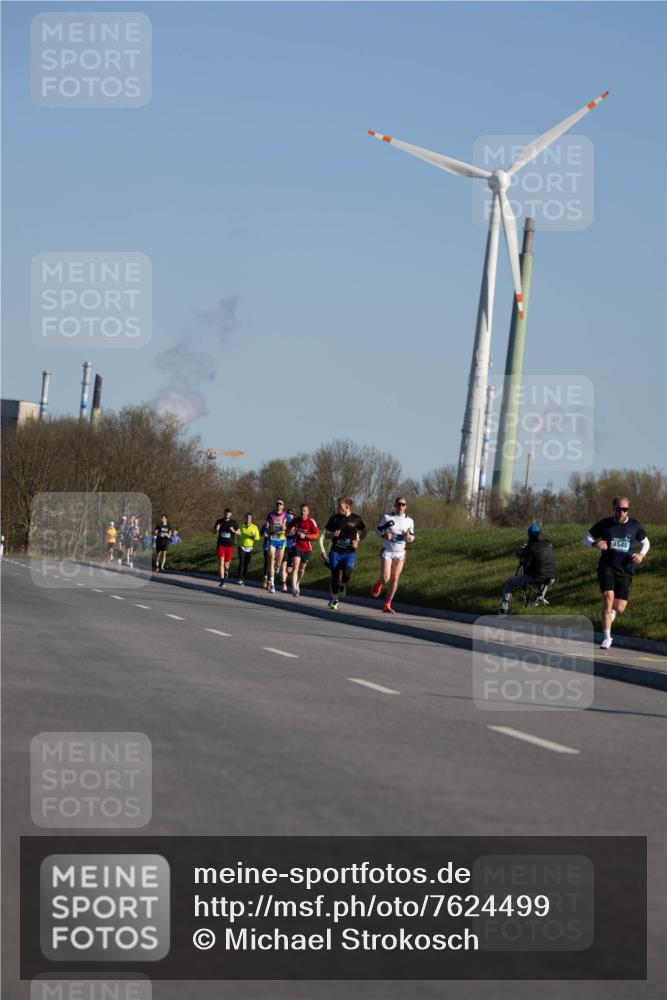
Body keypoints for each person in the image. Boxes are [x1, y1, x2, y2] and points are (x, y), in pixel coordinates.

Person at [584, 496, 650, 649]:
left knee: (619, 607)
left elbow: (646, 543)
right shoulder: (605, 524)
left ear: (628, 510)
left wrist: (641, 555)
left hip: (626, 569)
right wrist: (595, 543)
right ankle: (607, 638)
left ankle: (611, 614)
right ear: (614, 508)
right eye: (619, 509)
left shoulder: (634, 526)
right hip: (607, 567)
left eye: (625, 509)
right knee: (608, 598)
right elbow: (586, 538)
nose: (622, 512)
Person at [498, 523, 556, 615]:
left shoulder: (531, 547)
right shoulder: (549, 543)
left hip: (538, 576)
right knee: (544, 577)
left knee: (510, 582)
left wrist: (525, 551)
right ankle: (536, 603)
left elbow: (526, 569)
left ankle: (504, 609)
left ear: (530, 536)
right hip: (551, 578)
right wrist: (528, 549)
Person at [371, 497, 415, 614]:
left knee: (395, 578)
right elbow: (377, 531)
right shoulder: (387, 517)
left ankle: (387, 604)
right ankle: (379, 583)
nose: (401, 507)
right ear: (395, 505)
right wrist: (384, 535)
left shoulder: (409, 521)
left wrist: (408, 538)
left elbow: (412, 537)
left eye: (403, 505)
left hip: (400, 553)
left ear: (406, 507)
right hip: (388, 551)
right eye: (399, 504)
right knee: (386, 577)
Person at [324, 497, 367, 610]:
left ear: (347, 506)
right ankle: (335, 600)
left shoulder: (356, 519)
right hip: (335, 552)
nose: (338, 508)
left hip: (349, 552)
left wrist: (358, 542)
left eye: (340, 506)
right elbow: (326, 534)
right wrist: (333, 534)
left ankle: (342, 584)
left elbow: (365, 530)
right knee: (334, 575)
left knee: (347, 574)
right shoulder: (334, 519)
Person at [287, 503, 320, 597]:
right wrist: (289, 530)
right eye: (302, 510)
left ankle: (297, 583)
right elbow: (288, 528)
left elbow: (316, 535)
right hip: (297, 546)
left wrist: (305, 536)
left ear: (308, 512)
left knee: (301, 570)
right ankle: (294, 588)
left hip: (307, 548)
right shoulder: (296, 520)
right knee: (295, 566)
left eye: (305, 511)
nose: (303, 512)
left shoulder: (311, 522)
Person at [263, 500, 289, 594]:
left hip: (281, 540)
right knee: (271, 559)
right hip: (272, 539)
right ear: (275, 505)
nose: (278, 505)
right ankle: (272, 585)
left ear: (283, 506)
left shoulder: (285, 515)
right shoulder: (270, 515)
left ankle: (277, 567)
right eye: (277, 503)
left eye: (280, 504)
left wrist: (278, 528)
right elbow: (268, 526)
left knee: (278, 563)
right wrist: (268, 530)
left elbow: (285, 527)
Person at [212, 509, 239, 587]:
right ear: (224, 513)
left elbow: (239, 532)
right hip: (221, 545)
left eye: (228, 513)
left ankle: (226, 570)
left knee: (227, 564)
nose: (227, 514)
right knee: (221, 562)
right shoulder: (219, 521)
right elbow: (213, 532)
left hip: (230, 546)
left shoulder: (233, 522)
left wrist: (234, 531)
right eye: (226, 512)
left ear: (230, 514)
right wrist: (216, 529)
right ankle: (222, 581)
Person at [237, 512, 260, 585]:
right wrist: (238, 541)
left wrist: (253, 537)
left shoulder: (254, 527)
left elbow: (257, 538)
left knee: (247, 563)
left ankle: (243, 577)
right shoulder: (241, 526)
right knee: (242, 561)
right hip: (241, 546)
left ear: (251, 519)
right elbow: (237, 534)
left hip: (249, 547)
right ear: (245, 518)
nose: (248, 519)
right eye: (247, 517)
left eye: (249, 518)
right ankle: (239, 578)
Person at [280, 508, 297, 592]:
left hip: (293, 547)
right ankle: (284, 584)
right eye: (289, 513)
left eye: (292, 513)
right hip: (285, 546)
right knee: (284, 564)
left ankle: (286, 579)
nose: (290, 514)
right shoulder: (284, 522)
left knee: (289, 569)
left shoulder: (296, 523)